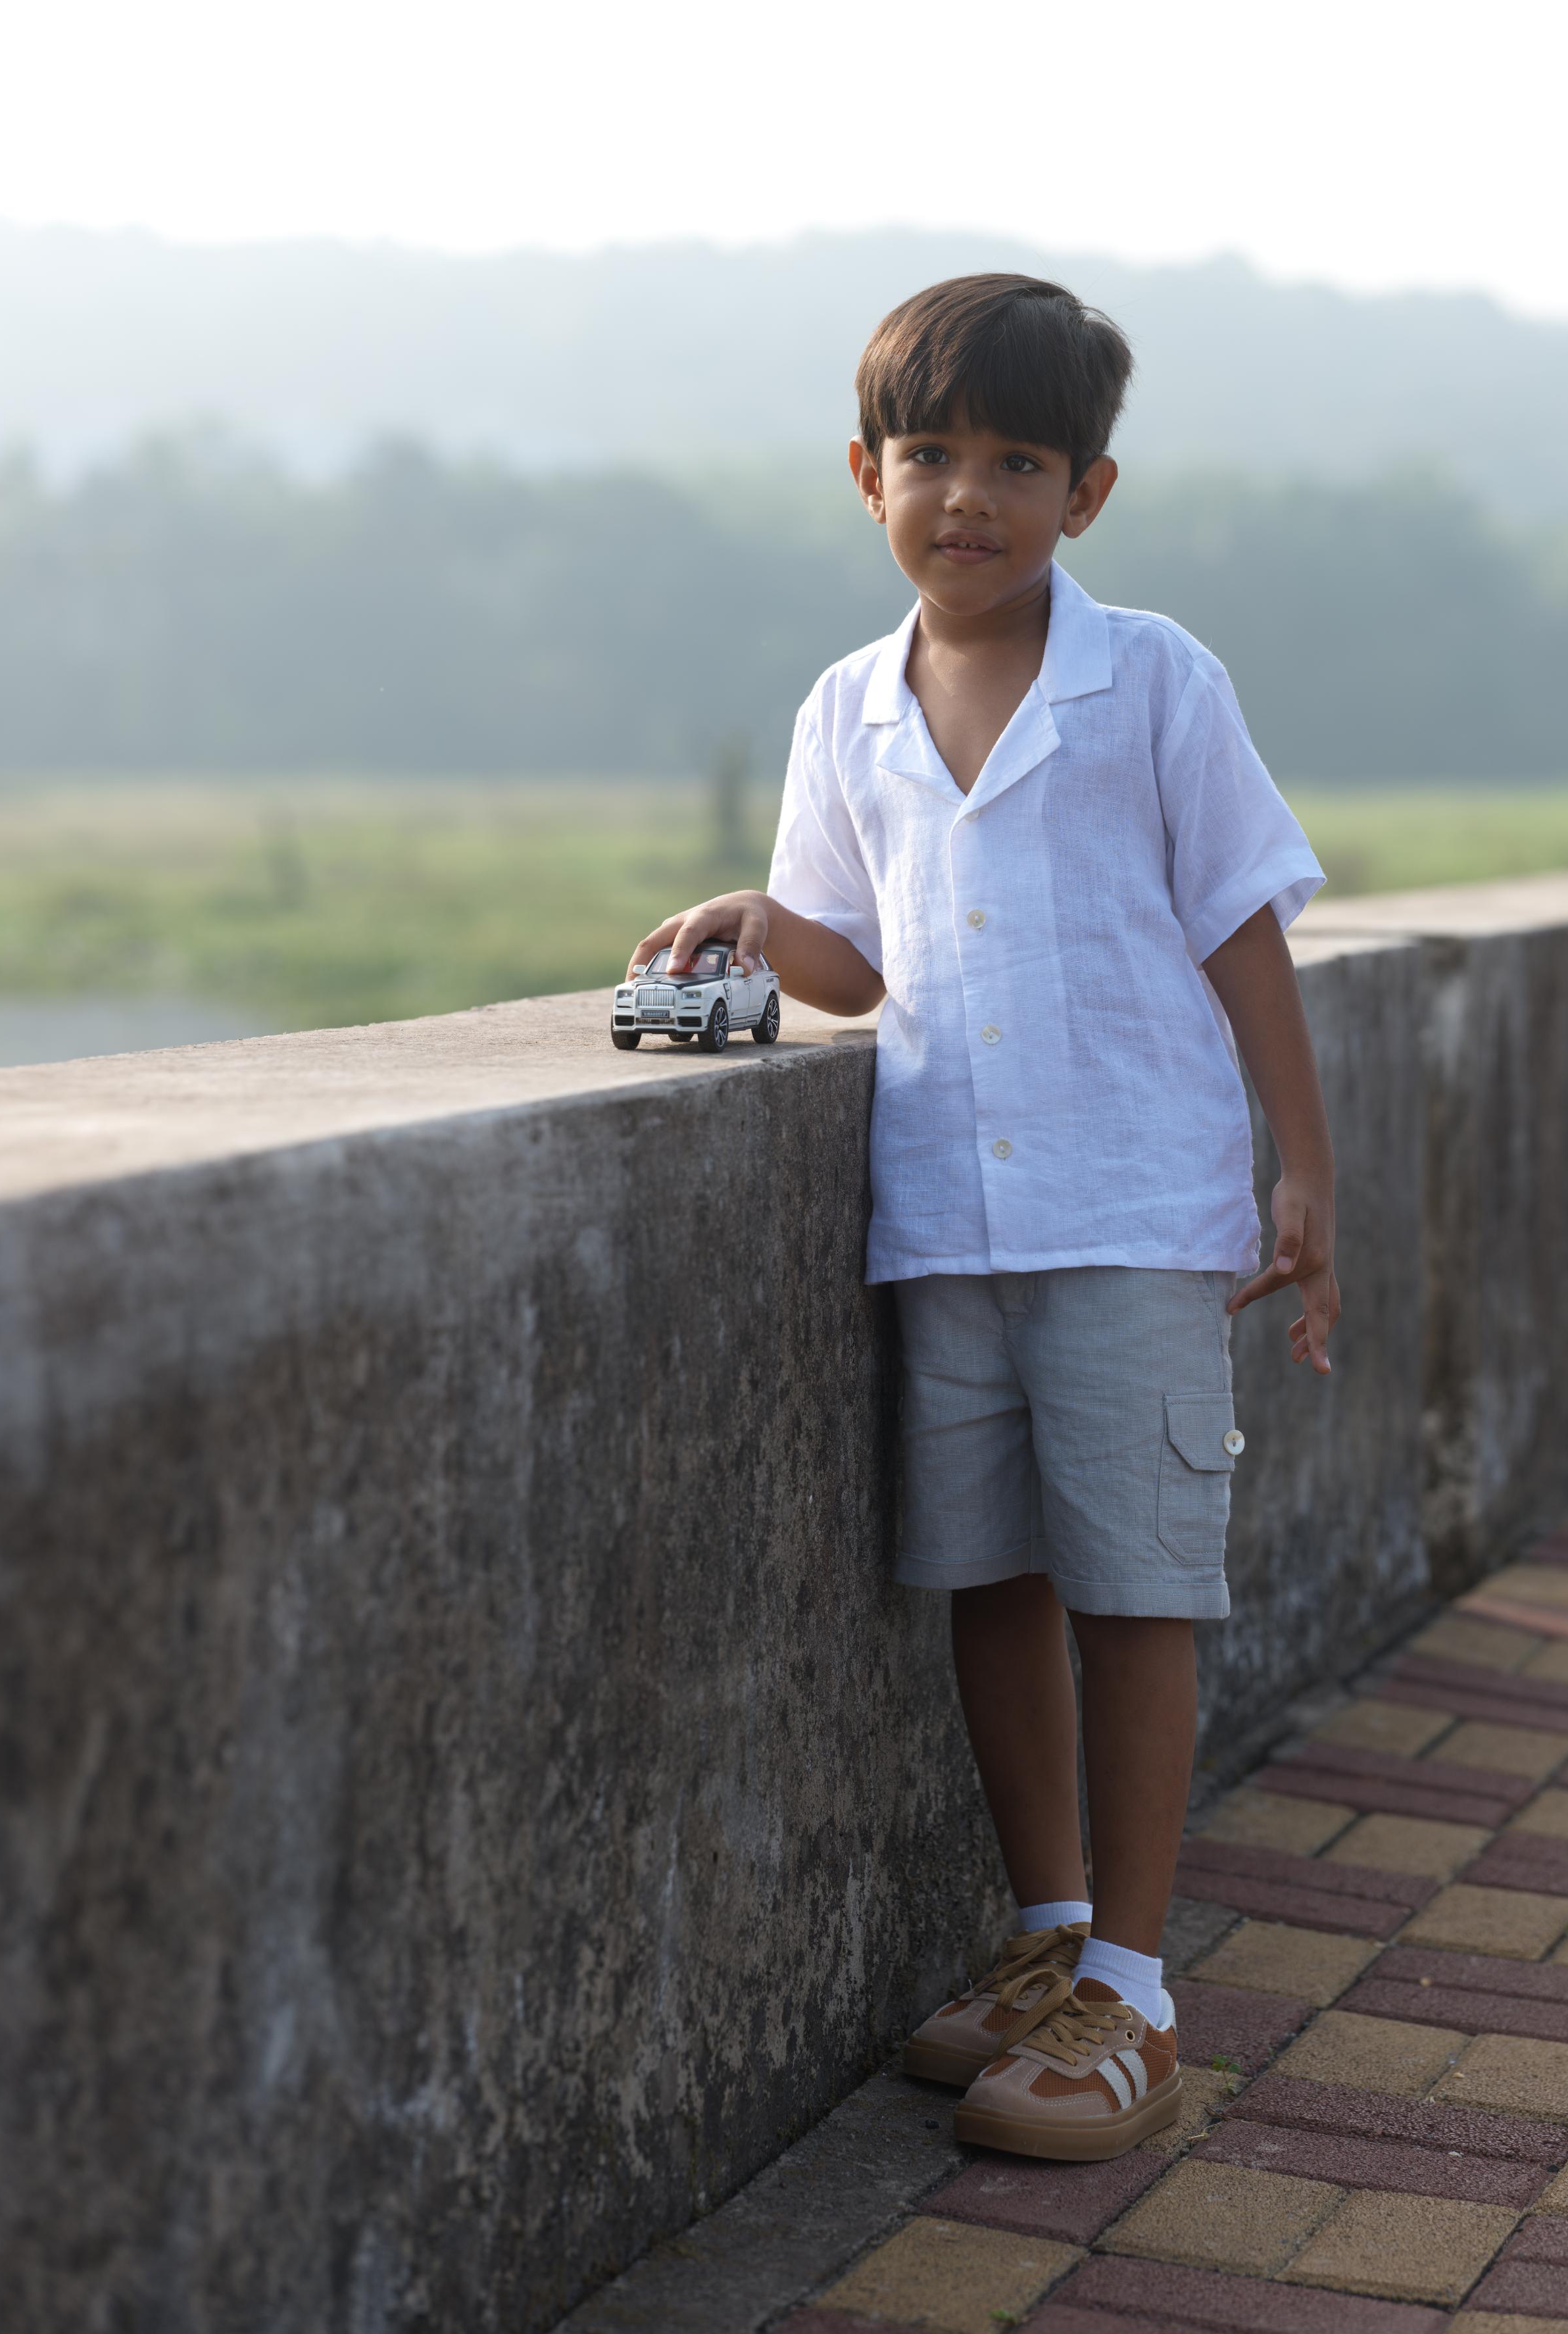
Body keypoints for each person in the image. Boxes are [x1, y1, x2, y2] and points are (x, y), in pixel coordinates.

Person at [628, 273, 1338, 2161]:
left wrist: (1304, 1169)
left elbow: (1241, 927)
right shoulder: (846, 709)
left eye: (1016, 462)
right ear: (863, 475)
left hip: (1124, 1207)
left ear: (1084, 494)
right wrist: (757, 929)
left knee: (1133, 1586)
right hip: (948, 1216)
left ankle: (1134, 1988)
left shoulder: (1155, 679)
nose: (969, 496)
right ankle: (1040, 1933)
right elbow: (855, 966)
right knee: (993, 1578)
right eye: (930, 456)